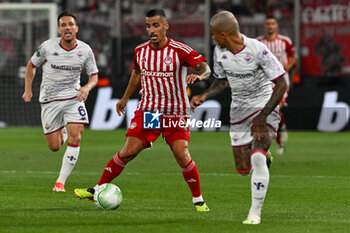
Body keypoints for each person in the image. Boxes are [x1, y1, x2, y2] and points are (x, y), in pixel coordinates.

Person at [74, 9, 211, 212]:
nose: (151, 30)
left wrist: (199, 76)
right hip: (150, 111)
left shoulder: (179, 50)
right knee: (128, 151)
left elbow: (204, 67)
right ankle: (97, 189)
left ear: (166, 26)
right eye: (148, 26)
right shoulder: (141, 51)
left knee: (181, 154)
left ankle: (198, 200)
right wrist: (125, 97)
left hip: (175, 112)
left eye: (156, 25)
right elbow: (137, 74)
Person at [191, 11, 287, 224]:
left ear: (224, 34)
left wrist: (263, 115)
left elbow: (281, 83)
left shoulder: (257, 50)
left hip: (264, 106)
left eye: (214, 35)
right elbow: (221, 81)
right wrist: (204, 95)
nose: (213, 38)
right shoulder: (219, 51)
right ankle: (263, 153)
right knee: (243, 169)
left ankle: (254, 213)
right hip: (239, 112)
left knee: (257, 157)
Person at [22, 11, 98, 192]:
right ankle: (63, 131)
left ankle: (60, 182)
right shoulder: (47, 47)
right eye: (63, 25)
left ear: (76, 28)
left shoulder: (85, 50)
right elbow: (31, 65)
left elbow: (94, 76)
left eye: (70, 24)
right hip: (49, 100)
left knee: (77, 136)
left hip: (74, 97)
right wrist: (28, 89)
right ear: (59, 29)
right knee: (54, 147)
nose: (67, 28)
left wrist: (86, 88)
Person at [257, 15, 297, 155]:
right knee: (269, 111)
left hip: (281, 80)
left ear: (276, 26)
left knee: (276, 108)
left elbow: (293, 55)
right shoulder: (258, 42)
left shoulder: (285, 41)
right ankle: (280, 137)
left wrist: (289, 65)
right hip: (265, 80)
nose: (270, 26)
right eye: (267, 24)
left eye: (272, 24)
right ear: (265, 26)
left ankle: (278, 143)